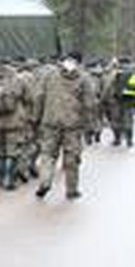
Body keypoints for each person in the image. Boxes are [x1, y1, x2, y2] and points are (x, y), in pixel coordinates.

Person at [36, 54, 97, 200]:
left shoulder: (49, 76)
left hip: (50, 122)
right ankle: (71, 190)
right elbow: (89, 104)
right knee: (72, 158)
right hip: (73, 125)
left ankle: (45, 181)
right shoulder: (84, 78)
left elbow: (39, 97)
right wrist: (90, 125)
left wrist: (37, 118)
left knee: (48, 155)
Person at [0, 61, 30, 190]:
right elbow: (28, 98)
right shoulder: (18, 79)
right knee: (12, 151)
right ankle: (9, 179)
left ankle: (1, 177)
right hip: (14, 121)